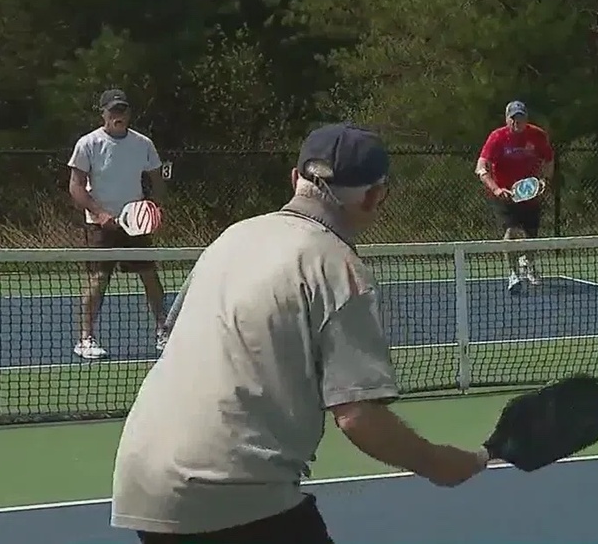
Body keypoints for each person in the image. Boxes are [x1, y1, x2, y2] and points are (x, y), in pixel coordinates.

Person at [110, 123, 491, 544]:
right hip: (228, 489)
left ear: (295, 179)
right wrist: (440, 462)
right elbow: (358, 416)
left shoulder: (231, 237)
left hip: (140, 482)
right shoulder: (338, 267)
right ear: (372, 197)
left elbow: (173, 335)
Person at [66, 88, 169, 360]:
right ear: (103, 113)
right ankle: (85, 339)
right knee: (99, 279)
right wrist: (100, 214)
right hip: (100, 226)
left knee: (150, 276)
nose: (118, 115)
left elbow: (156, 180)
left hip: (135, 225)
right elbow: (76, 187)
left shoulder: (143, 144)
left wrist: (154, 209)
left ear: (129, 113)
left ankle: (163, 331)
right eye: (113, 111)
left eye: (122, 110)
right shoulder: (88, 144)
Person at [474, 100, 555, 295]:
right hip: (505, 196)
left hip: (530, 193)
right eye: (513, 118)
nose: (517, 122)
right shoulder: (497, 138)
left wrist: (544, 180)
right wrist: (496, 189)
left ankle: (527, 262)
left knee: (531, 238)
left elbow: (549, 160)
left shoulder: (537, 135)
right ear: (507, 119)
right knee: (510, 233)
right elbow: (481, 167)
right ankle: (513, 274)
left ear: (526, 118)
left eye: (521, 118)